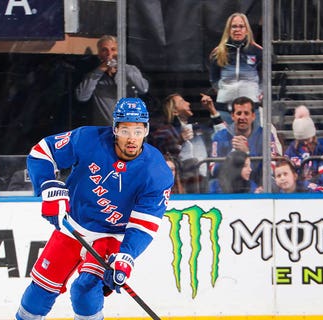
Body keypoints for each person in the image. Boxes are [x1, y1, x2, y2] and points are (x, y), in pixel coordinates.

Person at [15, 98, 173, 320]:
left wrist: (126, 256)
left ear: (146, 131)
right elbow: (42, 152)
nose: (132, 138)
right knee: (40, 291)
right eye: (125, 130)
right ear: (115, 129)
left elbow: (144, 224)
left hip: (111, 236)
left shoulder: (157, 172)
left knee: (85, 291)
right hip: (73, 226)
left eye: (138, 131)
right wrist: (47, 184)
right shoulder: (88, 139)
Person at [148, 93, 226, 193]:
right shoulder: (165, 132)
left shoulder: (197, 128)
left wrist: (212, 109)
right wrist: (179, 141)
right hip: (182, 185)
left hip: (205, 180)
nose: (188, 103)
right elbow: (166, 160)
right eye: (182, 102)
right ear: (174, 111)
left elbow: (222, 134)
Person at [76, 35, 150, 126]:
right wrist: (100, 70)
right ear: (99, 54)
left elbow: (143, 89)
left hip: (130, 128)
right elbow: (82, 96)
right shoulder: (94, 75)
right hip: (105, 130)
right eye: (104, 50)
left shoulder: (130, 69)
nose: (109, 53)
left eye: (113, 49)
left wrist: (122, 67)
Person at [210, 96, 281, 186]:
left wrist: (247, 152)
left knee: (271, 183)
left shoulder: (266, 136)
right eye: (239, 113)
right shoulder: (220, 136)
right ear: (232, 116)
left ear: (253, 116)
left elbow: (271, 169)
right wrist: (233, 155)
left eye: (246, 113)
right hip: (227, 185)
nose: (242, 117)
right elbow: (213, 170)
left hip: (257, 184)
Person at [209, 13, 263, 124]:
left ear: (247, 30)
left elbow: (264, 77)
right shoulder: (218, 52)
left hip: (251, 106)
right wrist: (224, 91)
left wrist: (258, 93)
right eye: (234, 26)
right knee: (224, 140)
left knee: (252, 141)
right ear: (228, 30)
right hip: (224, 106)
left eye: (241, 26)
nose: (237, 30)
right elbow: (214, 78)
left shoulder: (258, 51)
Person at [284, 106, 323, 192]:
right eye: (302, 140)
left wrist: (309, 183)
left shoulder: (321, 146)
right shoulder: (291, 149)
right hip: (296, 190)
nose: (306, 143)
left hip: (316, 190)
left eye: (307, 139)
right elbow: (285, 172)